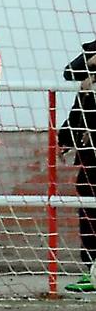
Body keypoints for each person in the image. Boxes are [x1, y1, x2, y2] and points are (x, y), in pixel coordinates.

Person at [58, 38, 96, 292]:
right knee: (87, 199)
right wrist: (66, 138)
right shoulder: (91, 54)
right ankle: (91, 268)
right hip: (90, 152)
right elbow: (70, 72)